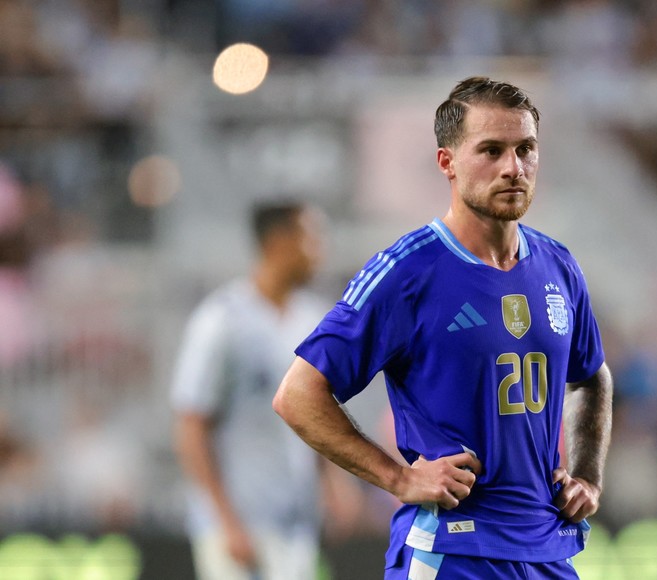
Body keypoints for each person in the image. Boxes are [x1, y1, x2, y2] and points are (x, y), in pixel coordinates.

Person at [273, 76, 614, 579]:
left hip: (547, 550)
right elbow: (298, 394)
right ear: (447, 163)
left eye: (526, 149)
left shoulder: (559, 266)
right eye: (491, 151)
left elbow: (591, 376)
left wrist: (587, 474)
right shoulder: (407, 272)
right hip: (453, 552)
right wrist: (397, 477)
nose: (513, 168)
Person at [172, 200, 332, 580]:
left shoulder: (313, 319)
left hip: (296, 523)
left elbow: (319, 413)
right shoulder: (222, 321)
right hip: (239, 524)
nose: (320, 251)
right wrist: (224, 519)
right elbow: (191, 425)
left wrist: (333, 482)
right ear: (279, 242)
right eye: (311, 239)